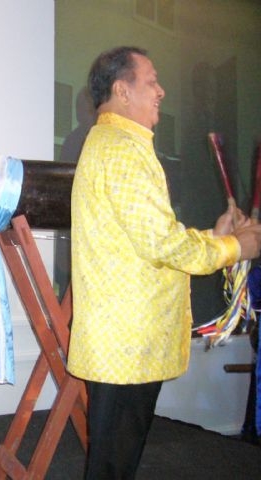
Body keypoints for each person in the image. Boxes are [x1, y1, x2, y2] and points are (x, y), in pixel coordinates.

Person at [67, 46, 261, 480]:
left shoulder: (119, 144)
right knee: (112, 465)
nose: (161, 90)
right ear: (122, 90)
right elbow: (163, 243)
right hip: (124, 343)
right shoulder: (121, 148)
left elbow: (151, 238)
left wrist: (218, 236)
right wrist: (235, 248)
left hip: (125, 341)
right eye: (151, 81)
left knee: (117, 460)